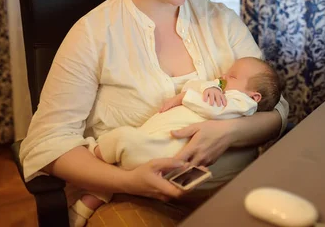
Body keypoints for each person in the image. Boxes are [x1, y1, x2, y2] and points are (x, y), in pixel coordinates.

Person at [19, 0, 289, 226]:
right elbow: (48, 143)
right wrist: (128, 182)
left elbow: (276, 106)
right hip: (134, 197)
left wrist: (230, 132)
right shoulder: (92, 35)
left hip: (238, 186)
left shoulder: (221, 21)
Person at [70, 56, 282, 226]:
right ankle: (89, 202)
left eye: (232, 76)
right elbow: (196, 85)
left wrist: (186, 97)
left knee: (124, 140)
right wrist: (207, 88)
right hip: (157, 149)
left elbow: (213, 108)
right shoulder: (221, 91)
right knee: (126, 154)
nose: (223, 76)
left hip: (167, 156)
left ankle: (95, 152)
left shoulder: (243, 103)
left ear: (254, 97)